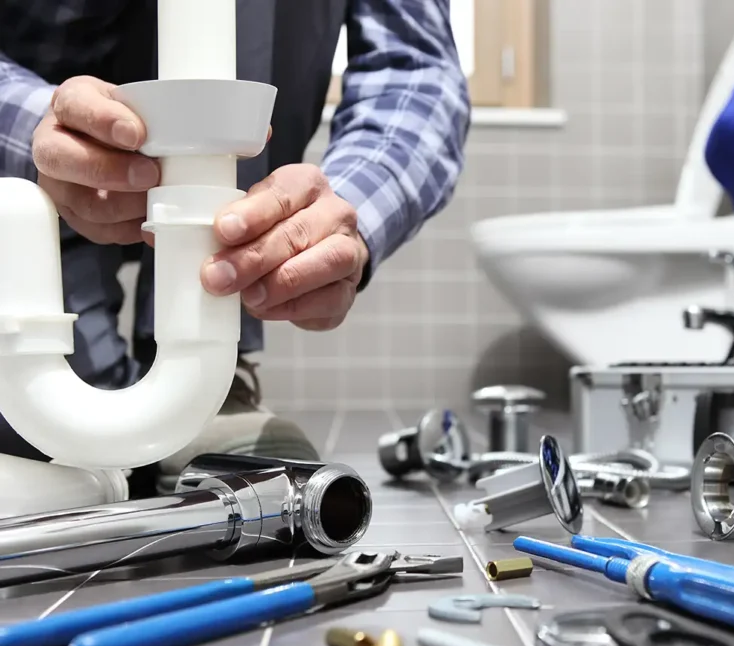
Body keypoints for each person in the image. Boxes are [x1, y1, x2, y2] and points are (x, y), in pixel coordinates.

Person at [0, 1, 471, 492]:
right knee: (59, 420)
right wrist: (34, 128)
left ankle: (211, 377)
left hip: (203, 207)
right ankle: (90, 376)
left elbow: (415, 69)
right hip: (22, 177)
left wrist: (333, 215)